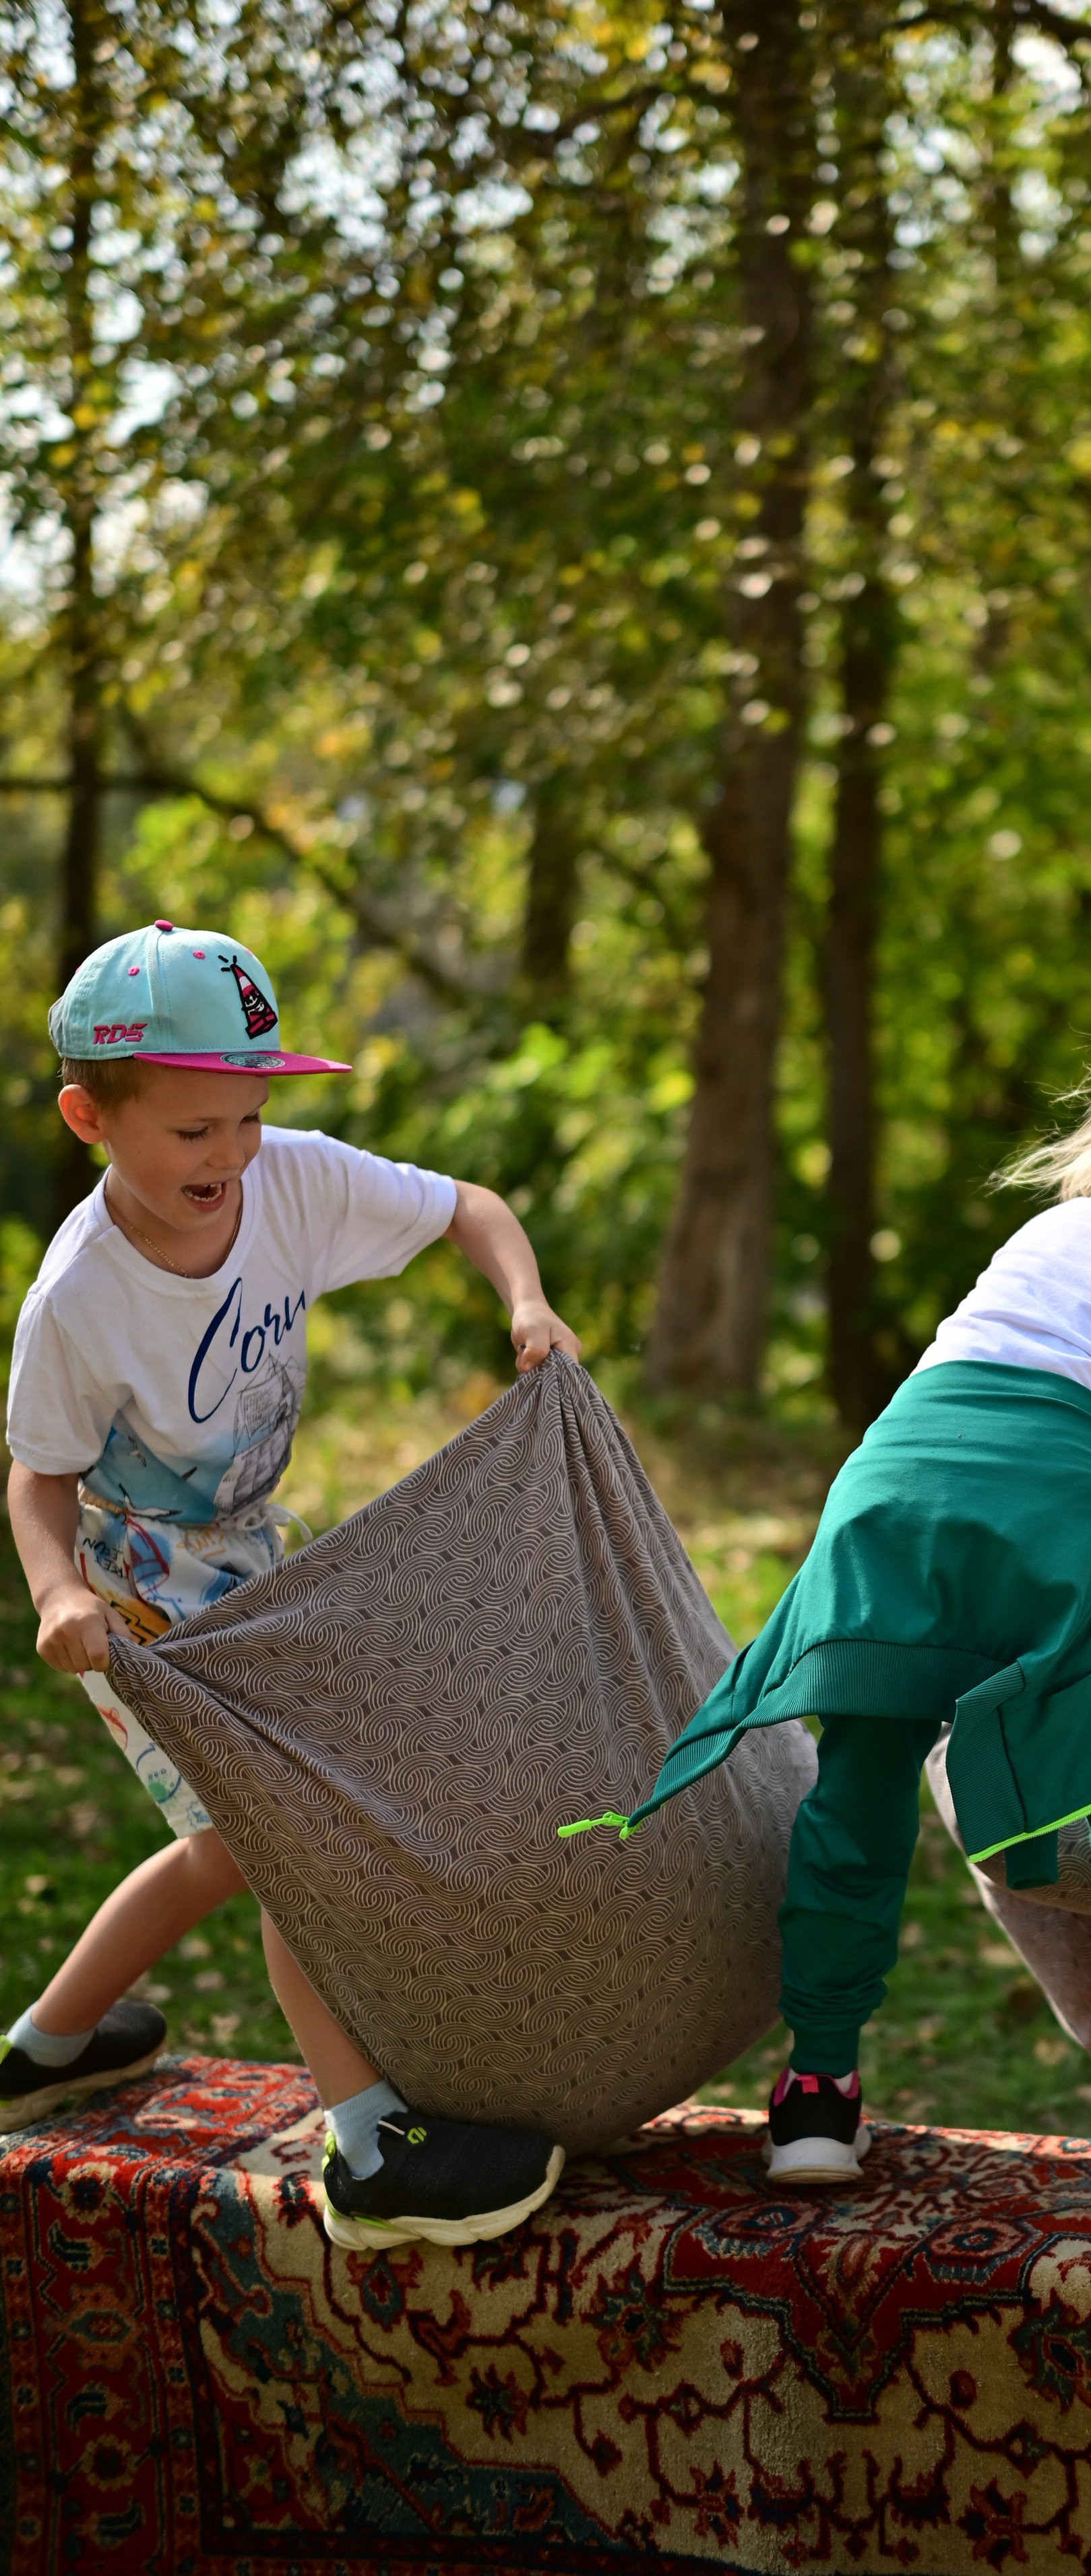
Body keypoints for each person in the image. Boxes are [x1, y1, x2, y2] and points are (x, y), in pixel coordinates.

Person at [573, 1014, 1091, 2223]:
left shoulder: (1052, 1229)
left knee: (856, 1789)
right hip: (1061, 1510)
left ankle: (814, 2097)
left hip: (889, 1488)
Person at [3, 918, 573, 2251]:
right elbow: (33, 1479)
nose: (230, 1157)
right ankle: (372, 2142)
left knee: (217, 1849)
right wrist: (54, 1595)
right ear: (91, 1115)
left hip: (255, 1556)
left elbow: (471, 1211)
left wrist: (526, 1305)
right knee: (284, 1837)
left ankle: (46, 2045)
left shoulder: (290, 1185)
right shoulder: (80, 1301)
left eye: (248, 1119)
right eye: (193, 1131)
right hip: (136, 1589)